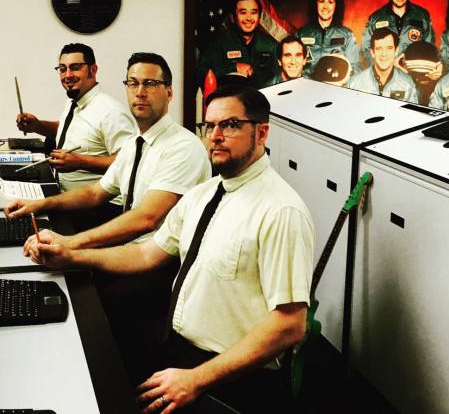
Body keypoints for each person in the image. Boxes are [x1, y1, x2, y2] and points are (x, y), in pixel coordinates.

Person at [24, 85, 314, 413]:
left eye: (230, 125)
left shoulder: (281, 211)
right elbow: (148, 254)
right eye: (210, 126)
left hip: (231, 376)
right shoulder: (203, 194)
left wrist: (196, 379)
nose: (215, 135)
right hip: (178, 351)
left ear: (261, 133)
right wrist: (71, 257)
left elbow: (290, 325)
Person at [6, 52, 211, 249]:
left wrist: (72, 242)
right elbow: (95, 193)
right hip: (129, 246)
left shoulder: (183, 147)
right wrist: (39, 204)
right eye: (133, 83)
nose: (140, 92)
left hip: (159, 261)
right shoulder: (135, 143)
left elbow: (147, 219)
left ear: (169, 92)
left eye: (150, 83)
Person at [16, 43, 135, 199]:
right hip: (67, 197)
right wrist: (38, 126)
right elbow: (72, 131)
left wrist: (81, 162)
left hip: (100, 206)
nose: (67, 75)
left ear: (93, 70)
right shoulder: (74, 100)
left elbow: (129, 163)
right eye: (63, 69)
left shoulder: (112, 112)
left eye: (75, 67)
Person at [197, 0, 279, 90]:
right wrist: (233, 68)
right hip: (229, 101)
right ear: (233, 18)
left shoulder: (270, 44)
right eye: (243, 12)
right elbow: (202, 74)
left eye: (253, 12)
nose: (249, 18)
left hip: (262, 101)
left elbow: (278, 79)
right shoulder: (219, 43)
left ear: (259, 17)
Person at [361, 0, 435, 65]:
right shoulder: (375, 19)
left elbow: (429, 48)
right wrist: (385, 68)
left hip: (413, 75)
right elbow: (366, 51)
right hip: (385, 76)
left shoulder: (422, 16)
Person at [297, 0, 360, 77]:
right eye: (322, 1)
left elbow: (355, 69)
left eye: (330, 2)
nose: (325, 6)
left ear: (336, 6)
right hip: (307, 87)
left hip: (336, 88)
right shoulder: (300, 34)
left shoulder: (347, 35)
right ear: (315, 4)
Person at [346, 27, 419, 103]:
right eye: (379, 48)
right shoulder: (355, 83)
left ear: (396, 51)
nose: (384, 54)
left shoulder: (407, 83)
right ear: (372, 52)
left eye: (389, 48)